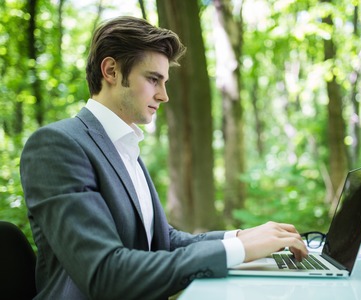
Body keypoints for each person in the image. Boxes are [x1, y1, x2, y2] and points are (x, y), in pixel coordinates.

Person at [20, 16, 308, 300]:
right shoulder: (57, 146)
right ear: (111, 71)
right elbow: (105, 273)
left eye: (164, 81)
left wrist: (240, 238)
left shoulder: (124, 145)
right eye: (153, 79)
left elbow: (163, 241)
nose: (164, 95)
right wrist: (238, 252)